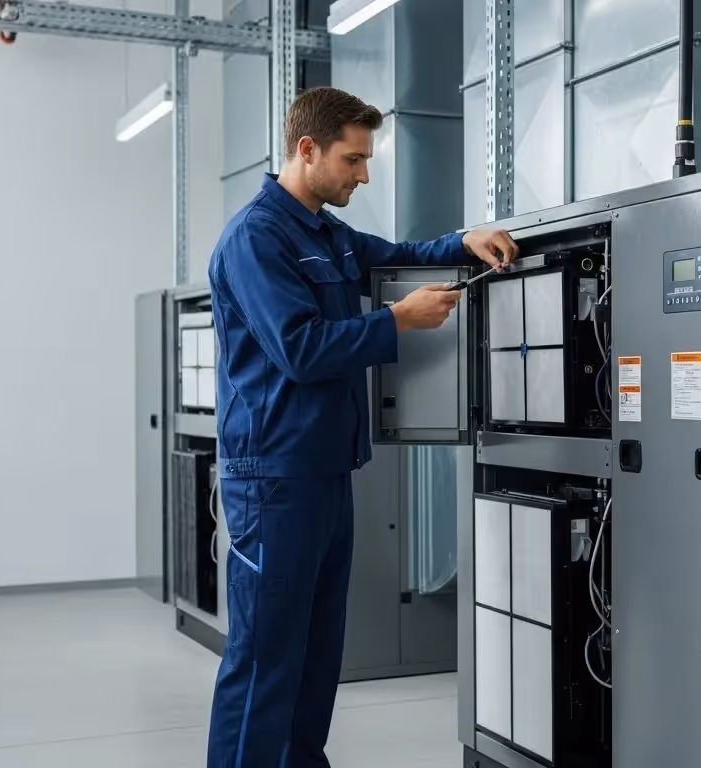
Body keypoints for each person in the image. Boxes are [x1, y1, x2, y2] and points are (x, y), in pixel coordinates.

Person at [204, 86, 517, 767]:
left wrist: (464, 241)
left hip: (324, 472)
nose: (363, 175)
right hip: (273, 481)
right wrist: (396, 321)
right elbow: (300, 349)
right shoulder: (256, 238)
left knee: (317, 655)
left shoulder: (328, 234)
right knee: (264, 659)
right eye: (353, 159)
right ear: (307, 150)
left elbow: (398, 254)